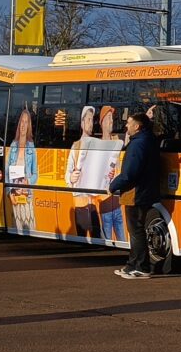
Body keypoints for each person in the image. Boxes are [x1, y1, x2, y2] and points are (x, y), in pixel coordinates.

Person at [108, 110, 162, 279]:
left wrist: (112, 186)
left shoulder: (138, 144)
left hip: (136, 193)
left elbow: (129, 174)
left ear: (137, 126)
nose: (126, 126)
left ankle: (142, 267)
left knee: (136, 230)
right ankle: (131, 265)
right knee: (136, 230)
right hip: (144, 191)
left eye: (129, 123)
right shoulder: (148, 140)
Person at [66, 105, 99, 236]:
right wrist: (71, 177)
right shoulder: (76, 146)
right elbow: (67, 173)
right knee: (83, 237)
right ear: (82, 123)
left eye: (93, 120)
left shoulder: (97, 144)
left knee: (97, 236)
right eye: (89, 120)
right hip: (80, 201)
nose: (91, 124)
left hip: (93, 202)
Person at [6, 107, 38, 233]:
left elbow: (36, 174)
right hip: (15, 196)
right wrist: (10, 193)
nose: (23, 125)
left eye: (26, 122)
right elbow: (8, 172)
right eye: (21, 122)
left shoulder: (31, 147)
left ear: (29, 126)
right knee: (17, 230)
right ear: (19, 125)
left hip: (26, 196)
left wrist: (28, 181)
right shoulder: (13, 145)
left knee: (30, 230)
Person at [96, 105, 125, 242]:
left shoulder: (116, 140)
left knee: (123, 241)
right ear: (101, 122)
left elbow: (131, 137)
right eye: (108, 118)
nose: (111, 121)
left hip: (118, 205)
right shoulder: (97, 146)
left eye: (112, 118)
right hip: (105, 204)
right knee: (106, 241)